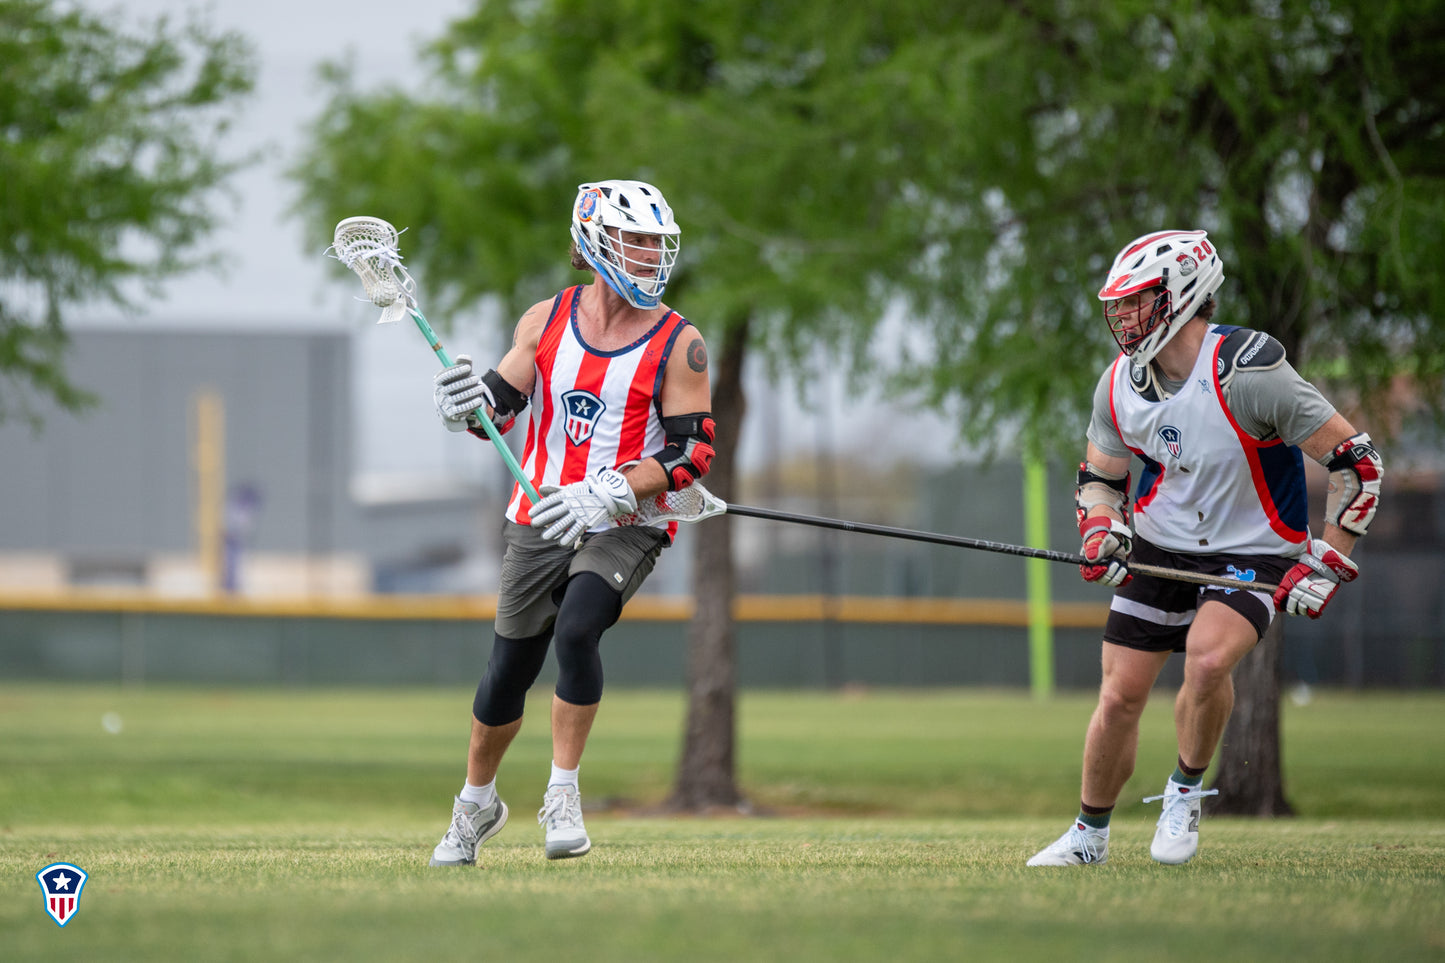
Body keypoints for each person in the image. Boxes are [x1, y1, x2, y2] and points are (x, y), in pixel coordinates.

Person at [1027, 229, 1383, 867]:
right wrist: (1101, 532)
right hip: (1161, 545)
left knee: (1208, 658)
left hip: (1255, 549)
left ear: (1183, 294)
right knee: (1119, 695)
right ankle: (1088, 836)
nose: (1122, 316)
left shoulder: (1251, 373)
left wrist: (1328, 561)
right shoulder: (1117, 385)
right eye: (1117, 304)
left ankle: (1184, 792)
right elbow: (1101, 480)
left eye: (1136, 300)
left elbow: (1357, 464)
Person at [426, 179, 714, 864]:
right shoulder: (544, 319)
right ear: (595, 241)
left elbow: (692, 452)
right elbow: (496, 413)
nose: (650, 255)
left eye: (656, 243)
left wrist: (614, 489)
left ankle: (562, 794)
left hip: (627, 520)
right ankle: (475, 804)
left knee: (579, 626)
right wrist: (464, 405)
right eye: (635, 241)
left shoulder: (681, 343)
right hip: (541, 510)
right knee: (508, 669)